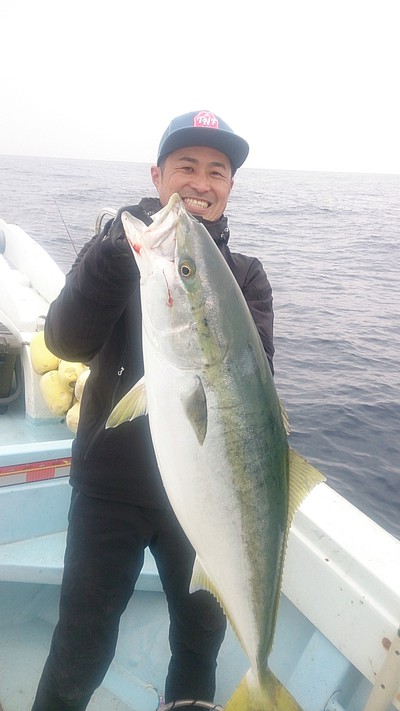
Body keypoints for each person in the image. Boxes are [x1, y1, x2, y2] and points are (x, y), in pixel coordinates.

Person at [31, 110, 275, 711]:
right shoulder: (121, 252)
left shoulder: (246, 278)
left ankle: (258, 681)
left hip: (204, 502)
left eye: (216, 171)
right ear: (158, 175)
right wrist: (113, 259)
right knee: (80, 646)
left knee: (197, 647)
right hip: (109, 492)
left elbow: (253, 392)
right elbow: (65, 341)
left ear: (230, 187)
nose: (201, 182)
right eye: (185, 167)